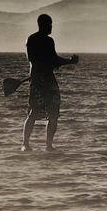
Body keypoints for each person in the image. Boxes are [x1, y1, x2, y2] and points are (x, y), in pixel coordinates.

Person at [22, 14, 78, 151]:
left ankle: (48, 145)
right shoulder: (33, 40)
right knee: (34, 113)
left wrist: (63, 62)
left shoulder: (48, 41)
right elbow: (38, 60)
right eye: (50, 24)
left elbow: (52, 60)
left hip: (48, 80)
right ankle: (25, 144)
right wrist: (69, 61)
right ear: (42, 24)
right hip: (38, 81)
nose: (51, 27)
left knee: (53, 113)